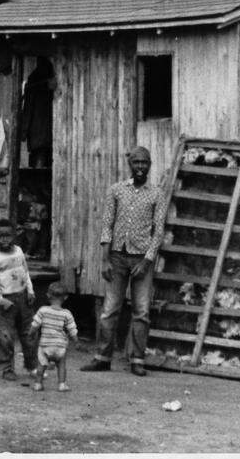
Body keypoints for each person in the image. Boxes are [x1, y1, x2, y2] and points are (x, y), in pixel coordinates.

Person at [81, 145, 166, 377]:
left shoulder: (157, 193)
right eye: (137, 162)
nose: (140, 167)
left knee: (141, 311)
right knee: (110, 309)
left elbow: (158, 232)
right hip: (117, 257)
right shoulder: (116, 190)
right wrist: (106, 259)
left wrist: (147, 261)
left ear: (149, 166)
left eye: (145, 163)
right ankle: (102, 358)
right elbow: (107, 224)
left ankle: (137, 359)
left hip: (142, 260)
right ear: (130, 165)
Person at [0, 217, 37, 380]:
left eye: (8, 235)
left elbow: (25, 272)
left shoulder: (19, 252)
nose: (4, 239)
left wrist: (30, 291)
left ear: (14, 236)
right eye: (1, 236)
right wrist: (1, 301)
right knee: (6, 336)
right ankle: (5, 368)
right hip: (6, 302)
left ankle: (32, 366)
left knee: (29, 334)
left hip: (23, 299)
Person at [29, 281, 79, 392]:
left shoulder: (43, 310)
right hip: (60, 346)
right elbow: (72, 330)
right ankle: (62, 384)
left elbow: (35, 325)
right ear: (65, 297)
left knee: (41, 365)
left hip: (45, 345)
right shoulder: (67, 314)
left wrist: (30, 334)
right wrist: (76, 341)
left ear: (48, 295)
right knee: (61, 365)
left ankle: (38, 384)